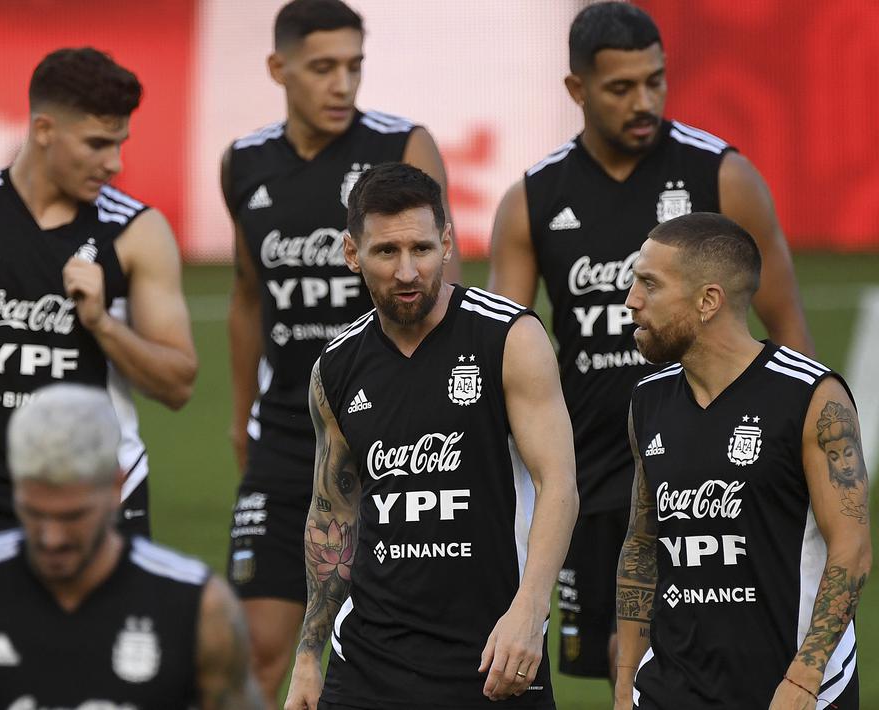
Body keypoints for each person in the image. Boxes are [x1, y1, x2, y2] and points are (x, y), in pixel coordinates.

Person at [486, 1, 814, 689]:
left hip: (711, 459)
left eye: (654, 81)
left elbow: (785, 325)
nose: (645, 101)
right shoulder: (533, 200)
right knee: (623, 662)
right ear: (576, 90)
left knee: (713, 649)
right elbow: (505, 348)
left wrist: (807, 447)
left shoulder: (721, 177)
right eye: (620, 87)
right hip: (593, 472)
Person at [221, 0, 460, 701]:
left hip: (386, 430)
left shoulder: (402, 147)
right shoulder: (244, 163)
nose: (341, 85)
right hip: (285, 437)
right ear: (278, 68)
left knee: (391, 642)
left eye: (353, 67)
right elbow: (244, 295)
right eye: (322, 68)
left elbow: (445, 291)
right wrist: (242, 420)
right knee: (261, 646)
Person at [0, 47, 197, 567]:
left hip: (102, 495)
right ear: (44, 130)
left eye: (119, 144)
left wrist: (102, 324)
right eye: (97, 144)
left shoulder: (138, 232)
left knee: (99, 651)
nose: (113, 163)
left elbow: (178, 384)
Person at [282, 163, 577, 710]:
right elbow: (333, 513)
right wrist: (307, 656)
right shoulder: (337, 367)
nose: (407, 271)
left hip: (494, 657)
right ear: (352, 254)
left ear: (446, 243)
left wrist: (530, 611)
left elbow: (557, 483)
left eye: (421, 248)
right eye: (386, 252)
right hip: (368, 662)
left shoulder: (508, 337)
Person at [614, 212, 870, 709]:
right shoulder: (648, 400)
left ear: (709, 300)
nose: (632, 301)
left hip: (791, 688)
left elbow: (851, 549)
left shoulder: (812, 398)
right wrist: (626, 681)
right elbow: (642, 543)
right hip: (672, 688)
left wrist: (804, 678)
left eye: (649, 284)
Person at [0, 384, 261, 710]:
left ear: (117, 488)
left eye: (73, 516)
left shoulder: (198, 608)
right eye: (34, 513)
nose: (51, 538)